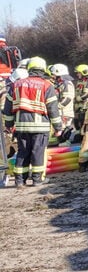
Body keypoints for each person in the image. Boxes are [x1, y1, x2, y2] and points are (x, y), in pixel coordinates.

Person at [2, 57, 63, 187]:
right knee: (38, 152)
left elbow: (7, 109)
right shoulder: (47, 86)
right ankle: (37, 180)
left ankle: (19, 181)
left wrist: (8, 125)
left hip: (21, 126)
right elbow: (52, 109)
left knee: (23, 152)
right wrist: (58, 128)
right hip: (40, 127)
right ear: (43, 69)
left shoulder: (16, 84)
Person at [50, 64, 75, 143]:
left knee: (64, 130)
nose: (52, 76)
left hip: (65, 112)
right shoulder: (60, 83)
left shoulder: (67, 84)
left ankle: (65, 143)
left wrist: (57, 106)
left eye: (54, 74)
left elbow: (67, 98)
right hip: (61, 111)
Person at [73, 64, 88, 132]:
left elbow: (87, 94)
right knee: (77, 122)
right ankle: (79, 136)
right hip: (78, 107)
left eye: (79, 73)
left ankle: (84, 136)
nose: (77, 74)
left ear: (84, 72)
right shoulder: (79, 81)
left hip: (86, 107)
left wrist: (77, 98)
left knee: (84, 122)